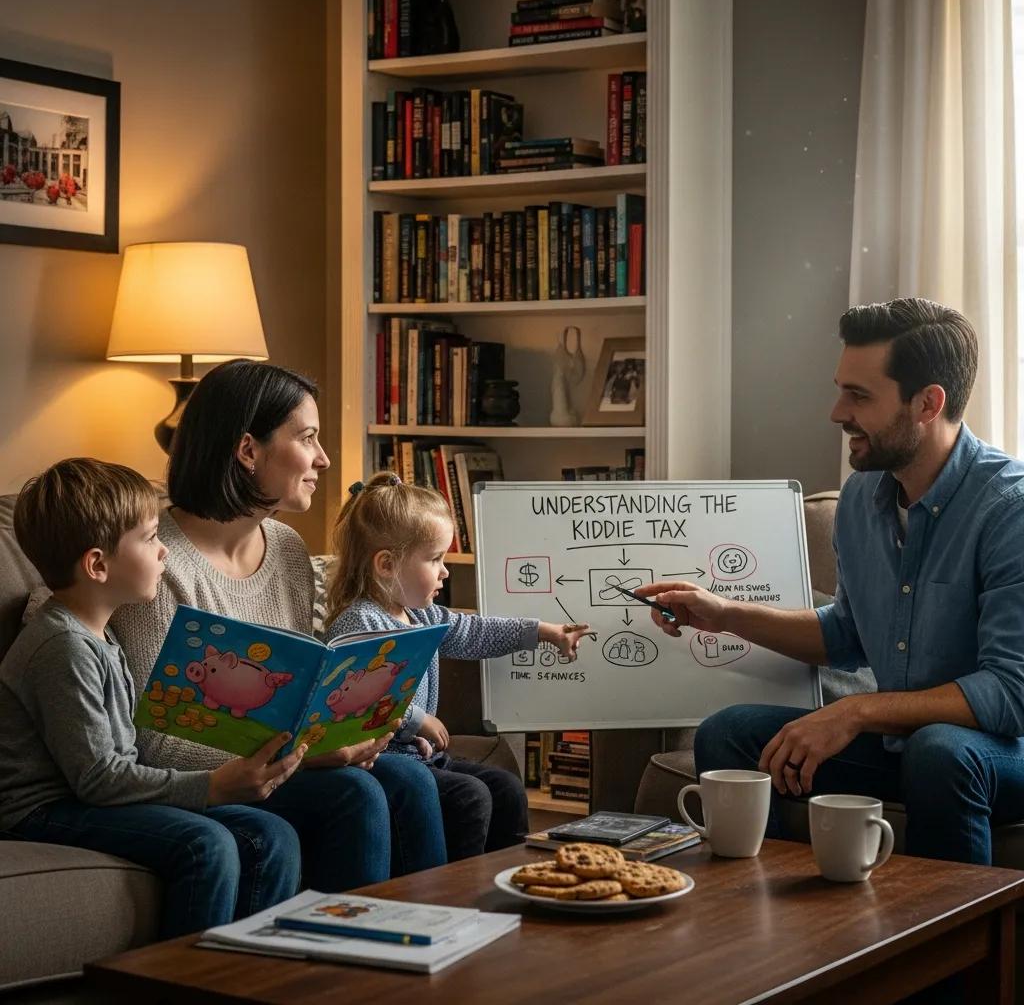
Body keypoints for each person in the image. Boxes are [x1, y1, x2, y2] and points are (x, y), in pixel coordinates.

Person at [636, 297, 1024, 866]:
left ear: (928, 403)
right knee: (730, 733)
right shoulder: (862, 497)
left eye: (859, 395)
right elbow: (847, 632)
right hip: (906, 747)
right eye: (841, 388)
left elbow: (1012, 693)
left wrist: (855, 712)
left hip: (999, 752)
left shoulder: (1007, 509)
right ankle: (763, 922)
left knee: (942, 751)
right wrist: (721, 612)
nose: (836, 412)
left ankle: (955, 950)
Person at [111, 360, 447, 888]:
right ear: (248, 451)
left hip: (286, 757)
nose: (324, 458)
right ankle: (353, 958)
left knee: (410, 777)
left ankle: (431, 946)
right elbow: (155, 739)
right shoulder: (156, 566)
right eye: (308, 438)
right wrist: (311, 755)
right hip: (208, 777)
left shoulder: (286, 548)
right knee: (355, 792)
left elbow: (299, 689)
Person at [0, 459, 307, 939]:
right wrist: (212, 786)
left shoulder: (100, 634)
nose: (164, 551)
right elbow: (99, 779)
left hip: (92, 798)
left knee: (272, 834)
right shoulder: (62, 647)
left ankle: (250, 975)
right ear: (98, 565)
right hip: (43, 811)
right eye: (148, 538)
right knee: (206, 844)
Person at [324, 472, 591, 861]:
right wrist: (416, 720)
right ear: (386, 564)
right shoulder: (360, 622)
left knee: (506, 788)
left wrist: (542, 631)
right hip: (383, 760)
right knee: (469, 798)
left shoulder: (421, 615)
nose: (445, 571)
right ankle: (456, 894)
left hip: (421, 756)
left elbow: (473, 632)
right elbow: (358, 696)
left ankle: (513, 878)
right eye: (434, 559)